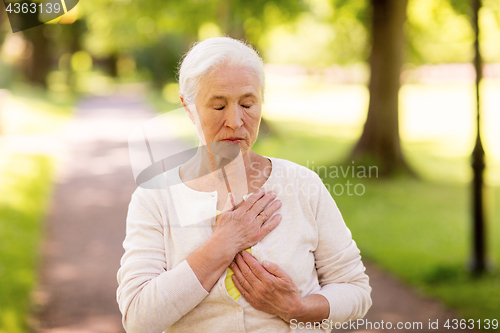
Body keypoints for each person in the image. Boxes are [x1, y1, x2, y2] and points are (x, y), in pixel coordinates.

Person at [117, 36, 372, 333]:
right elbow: (137, 319)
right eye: (218, 106)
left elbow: (355, 289)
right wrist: (222, 244)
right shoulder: (155, 198)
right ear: (188, 107)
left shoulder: (303, 185)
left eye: (248, 104)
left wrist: (297, 309)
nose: (236, 121)